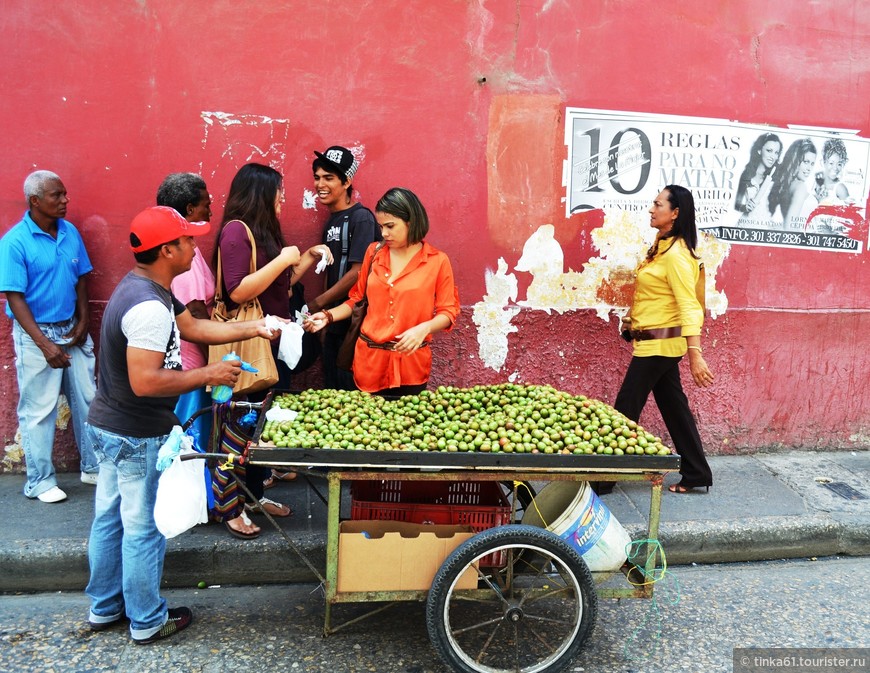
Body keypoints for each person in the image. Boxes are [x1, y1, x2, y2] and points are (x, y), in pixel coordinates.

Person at [85, 206, 278, 643]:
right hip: (135, 432)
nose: (195, 246)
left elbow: (193, 327)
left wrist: (256, 327)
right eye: (188, 240)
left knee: (110, 519)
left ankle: (105, 608)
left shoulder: (148, 289)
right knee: (141, 527)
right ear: (167, 249)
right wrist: (207, 375)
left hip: (112, 425)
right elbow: (146, 380)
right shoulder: (147, 308)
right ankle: (148, 620)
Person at [211, 163, 331, 534]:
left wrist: (306, 258)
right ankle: (228, 507)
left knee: (258, 429)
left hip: (271, 344)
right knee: (237, 431)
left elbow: (276, 285)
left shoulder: (264, 234)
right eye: (279, 191)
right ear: (261, 193)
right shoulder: (235, 233)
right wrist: (283, 258)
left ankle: (254, 495)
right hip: (247, 349)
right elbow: (237, 291)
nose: (284, 198)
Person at [0, 170, 98, 503]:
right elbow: (14, 297)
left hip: (72, 327)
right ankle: (40, 482)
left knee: (89, 399)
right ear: (35, 201)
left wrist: (84, 320)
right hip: (36, 333)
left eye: (65, 194)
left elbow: (82, 278)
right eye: (56, 195)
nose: (65, 200)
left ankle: (93, 466)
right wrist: (45, 345)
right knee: (39, 409)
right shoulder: (14, 242)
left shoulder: (69, 232)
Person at [305, 187, 460, 396]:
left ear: (411, 222)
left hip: (411, 364)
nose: (384, 233)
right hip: (368, 362)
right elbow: (357, 299)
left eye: (390, 226)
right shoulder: (374, 252)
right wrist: (327, 316)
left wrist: (423, 329)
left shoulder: (437, 261)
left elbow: (448, 312)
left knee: (408, 424)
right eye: (381, 226)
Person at [615, 185, 713, 494]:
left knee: (624, 409)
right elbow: (658, 297)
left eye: (658, 204)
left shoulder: (677, 255)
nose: (651, 209)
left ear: (675, 213)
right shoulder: (662, 248)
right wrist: (634, 320)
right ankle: (696, 471)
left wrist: (695, 354)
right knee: (674, 406)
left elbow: (689, 306)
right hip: (652, 343)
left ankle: (602, 478)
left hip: (661, 347)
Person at [307, 146, 381, 391]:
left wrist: (318, 303)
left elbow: (358, 272)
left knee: (348, 393)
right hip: (332, 322)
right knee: (331, 390)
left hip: (352, 324)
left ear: (347, 181)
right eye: (317, 178)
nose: (320, 184)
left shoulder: (362, 218)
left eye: (329, 178)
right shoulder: (332, 219)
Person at [156, 173, 216, 446]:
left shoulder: (173, 247)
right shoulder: (184, 255)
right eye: (206, 204)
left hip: (184, 363)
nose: (211, 210)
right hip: (191, 364)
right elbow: (195, 314)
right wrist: (215, 360)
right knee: (190, 444)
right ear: (190, 209)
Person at [768, 138, 817, 230]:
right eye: (806, 162)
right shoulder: (800, 187)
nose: (809, 168)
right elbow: (789, 228)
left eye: (812, 164)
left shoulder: (787, 185)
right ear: (795, 161)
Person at [734, 132, 782, 227]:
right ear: (759, 150)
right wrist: (745, 207)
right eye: (769, 151)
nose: (773, 157)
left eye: (776, 153)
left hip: (766, 227)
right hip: (746, 225)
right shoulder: (747, 174)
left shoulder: (779, 176)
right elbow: (737, 204)